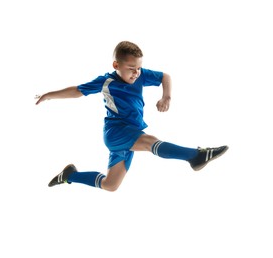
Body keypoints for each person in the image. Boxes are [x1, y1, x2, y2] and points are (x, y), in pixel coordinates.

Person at [35, 41, 228, 192]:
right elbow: (77, 90)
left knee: (110, 185)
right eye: (130, 68)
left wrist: (166, 97)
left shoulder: (140, 74)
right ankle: (195, 156)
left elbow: (165, 77)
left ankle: (69, 175)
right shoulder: (107, 82)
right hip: (116, 131)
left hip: (131, 132)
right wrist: (49, 95)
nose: (136, 73)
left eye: (138, 68)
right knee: (149, 142)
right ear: (116, 64)